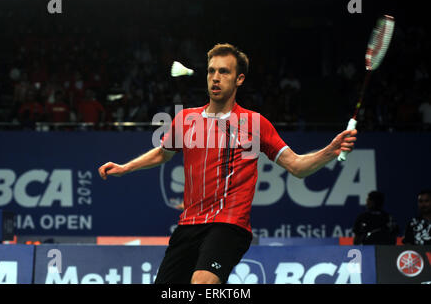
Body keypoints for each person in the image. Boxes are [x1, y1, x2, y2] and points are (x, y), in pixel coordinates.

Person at [98, 43, 358, 284]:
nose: (215, 77)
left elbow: (297, 166)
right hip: (189, 224)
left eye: (224, 71)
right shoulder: (186, 119)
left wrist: (330, 151)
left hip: (229, 225)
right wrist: (125, 167)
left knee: (201, 283)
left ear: (239, 79)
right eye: (211, 71)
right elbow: (163, 153)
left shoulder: (255, 124)